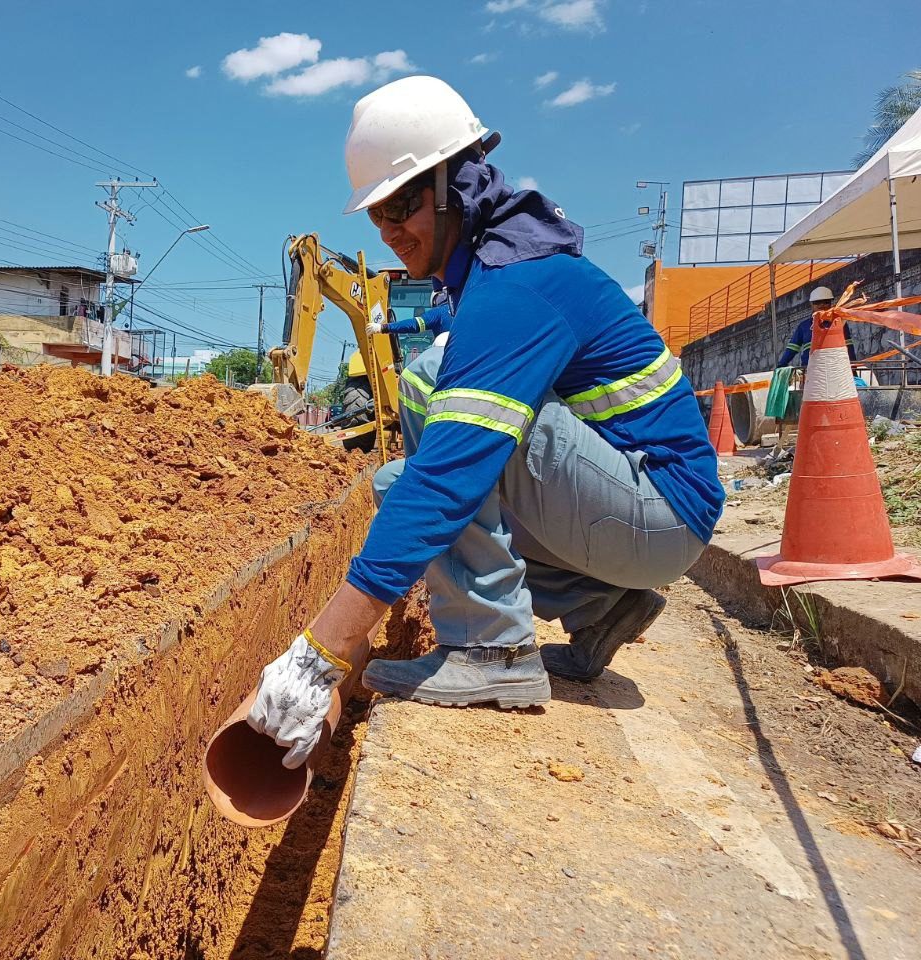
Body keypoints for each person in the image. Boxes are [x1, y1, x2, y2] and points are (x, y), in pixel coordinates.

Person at [246, 75, 724, 770]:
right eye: (377, 216)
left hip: (661, 514)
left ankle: (490, 648)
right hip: (640, 513)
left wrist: (319, 654)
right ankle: (600, 610)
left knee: (434, 416)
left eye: (403, 205)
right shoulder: (492, 275)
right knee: (397, 476)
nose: (391, 232)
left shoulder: (520, 285)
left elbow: (447, 482)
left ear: (457, 185)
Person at [778, 287, 858, 369]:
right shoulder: (804, 326)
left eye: (826, 302)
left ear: (831, 303)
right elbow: (792, 348)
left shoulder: (839, 323)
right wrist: (780, 365)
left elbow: (848, 346)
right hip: (811, 370)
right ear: (811, 304)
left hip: (835, 370)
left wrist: (853, 369)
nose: (822, 305)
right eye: (817, 302)